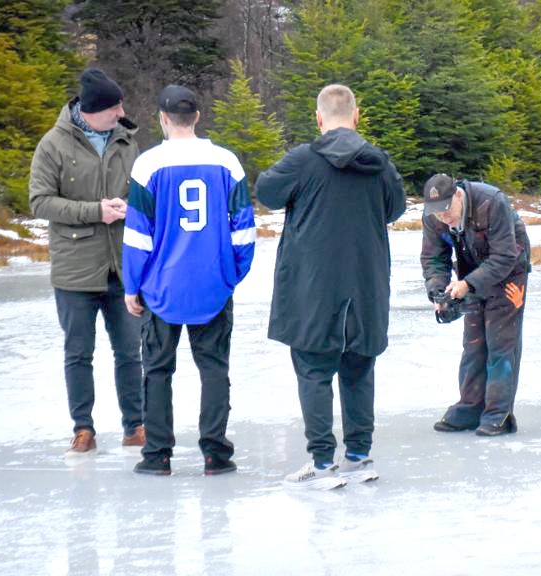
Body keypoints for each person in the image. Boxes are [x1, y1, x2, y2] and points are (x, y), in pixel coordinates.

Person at [256, 84, 405, 488]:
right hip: (366, 280)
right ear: (356, 117)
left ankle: (323, 462)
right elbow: (396, 208)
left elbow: (266, 191)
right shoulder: (379, 163)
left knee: (314, 369)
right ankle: (358, 455)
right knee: (359, 367)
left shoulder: (303, 160)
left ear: (319, 119)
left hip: (312, 284)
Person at [121, 85, 255, 476]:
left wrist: (133, 284)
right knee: (213, 368)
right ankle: (215, 452)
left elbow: (137, 234)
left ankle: (158, 454)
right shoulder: (227, 163)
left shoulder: (147, 165)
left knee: (158, 370)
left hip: (161, 288)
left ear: (162, 119)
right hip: (213, 285)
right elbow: (243, 231)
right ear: (197, 116)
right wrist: (231, 274)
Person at [29, 68, 144, 456]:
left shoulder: (127, 141)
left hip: (123, 268)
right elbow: (40, 201)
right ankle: (83, 429)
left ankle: (136, 425)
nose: (121, 111)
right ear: (92, 111)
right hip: (75, 270)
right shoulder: (53, 144)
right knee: (78, 353)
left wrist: (134, 209)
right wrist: (95, 210)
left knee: (130, 351)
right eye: (114, 106)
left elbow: (144, 193)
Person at [421, 174, 531, 437]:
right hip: (471, 271)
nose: (443, 217)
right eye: (437, 213)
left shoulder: (492, 202)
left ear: (458, 195)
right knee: (473, 344)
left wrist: (467, 285)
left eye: (447, 209)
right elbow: (433, 258)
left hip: (510, 271)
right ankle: (470, 407)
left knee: (500, 343)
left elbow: (504, 256)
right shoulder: (433, 218)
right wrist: (439, 292)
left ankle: (498, 414)